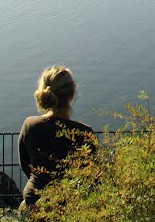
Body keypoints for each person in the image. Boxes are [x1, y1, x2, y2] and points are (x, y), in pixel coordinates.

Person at [18, 66, 96, 211]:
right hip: (70, 204)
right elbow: (93, 177)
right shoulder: (83, 132)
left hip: (35, 200)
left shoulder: (30, 125)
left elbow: (25, 164)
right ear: (71, 95)